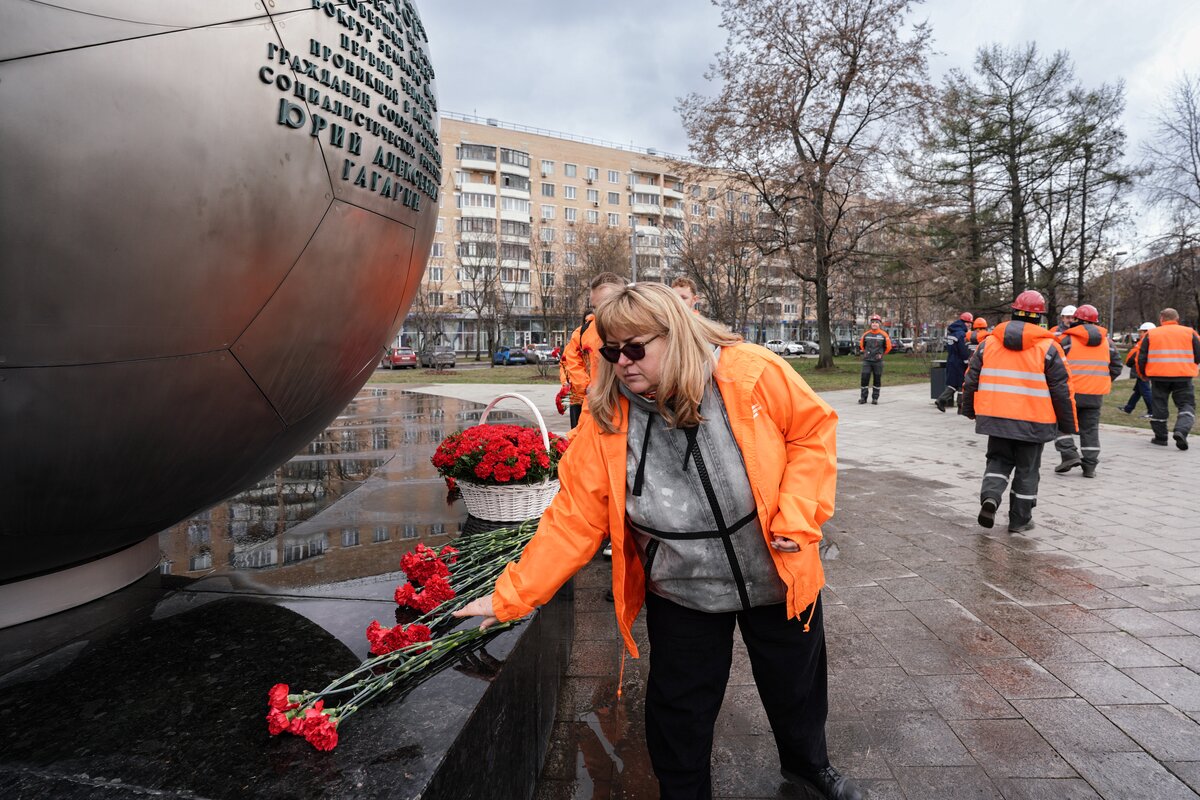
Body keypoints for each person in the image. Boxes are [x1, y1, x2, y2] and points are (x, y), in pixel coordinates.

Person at [453, 282, 861, 800]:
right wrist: (512, 595)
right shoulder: (606, 420)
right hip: (683, 588)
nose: (622, 363)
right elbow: (573, 519)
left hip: (778, 571)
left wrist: (797, 516)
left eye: (635, 348)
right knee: (679, 711)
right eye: (611, 352)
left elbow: (811, 433)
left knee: (796, 686)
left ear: (676, 334)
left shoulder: (751, 373)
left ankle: (809, 768)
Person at [961, 290, 1076, 533]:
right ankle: (1020, 520)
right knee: (1027, 470)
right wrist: (1067, 424)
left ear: (1013, 312)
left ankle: (991, 497)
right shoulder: (1049, 348)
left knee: (998, 461)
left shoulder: (988, 343)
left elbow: (970, 380)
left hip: (996, 418)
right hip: (1034, 422)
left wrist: (969, 409)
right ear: (1040, 318)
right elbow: (1062, 390)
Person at [1052, 304, 1123, 477]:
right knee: (1090, 430)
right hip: (1095, 394)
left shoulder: (1067, 340)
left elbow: (1055, 365)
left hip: (1070, 393)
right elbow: (1116, 367)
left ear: (1076, 320)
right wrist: (1102, 381)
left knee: (1060, 424)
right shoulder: (1107, 342)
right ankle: (1090, 466)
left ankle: (1069, 454)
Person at [560, 272, 626, 429]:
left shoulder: (637, 329)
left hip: (629, 409)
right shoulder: (584, 332)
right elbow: (569, 360)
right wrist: (587, 387)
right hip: (594, 407)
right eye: (595, 307)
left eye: (605, 305)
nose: (599, 312)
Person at [1136, 307, 1200, 450]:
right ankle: (1181, 430)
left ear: (1161, 319)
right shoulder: (1190, 332)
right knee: (1186, 404)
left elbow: (1141, 357)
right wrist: (1191, 364)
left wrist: (1142, 374)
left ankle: (1161, 437)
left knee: (1159, 406)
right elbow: (1198, 353)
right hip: (1183, 376)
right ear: (1177, 319)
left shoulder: (1151, 334)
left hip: (1158, 376)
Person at [935, 312, 973, 412]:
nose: (969, 325)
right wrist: (966, 361)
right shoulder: (961, 334)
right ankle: (961, 406)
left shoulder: (952, 332)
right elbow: (963, 349)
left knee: (953, 383)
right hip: (959, 361)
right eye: (968, 323)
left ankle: (941, 400)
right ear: (964, 322)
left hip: (951, 359)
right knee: (962, 383)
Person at [1121, 322, 1155, 416]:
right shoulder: (1145, 341)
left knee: (1145, 391)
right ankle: (1128, 408)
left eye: (1141, 332)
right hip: (1140, 368)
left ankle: (1152, 411)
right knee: (1138, 391)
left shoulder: (1147, 342)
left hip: (1141, 369)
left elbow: (1138, 355)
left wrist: (1130, 363)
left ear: (1147, 331)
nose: (1139, 334)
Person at [857, 314, 892, 404]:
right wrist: (866, 353)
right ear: (871, 324)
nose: (874, 324)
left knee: (877, 379)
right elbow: (862, 345)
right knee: (864, 378)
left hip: (878, 361)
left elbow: (888, 347)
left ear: (879, 324)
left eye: (876, 322)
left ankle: (875, 398)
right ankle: (863, 398)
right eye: (873, 322)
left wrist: (881, 354)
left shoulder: (884, 335)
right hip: (867, 361)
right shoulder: (866, 334)